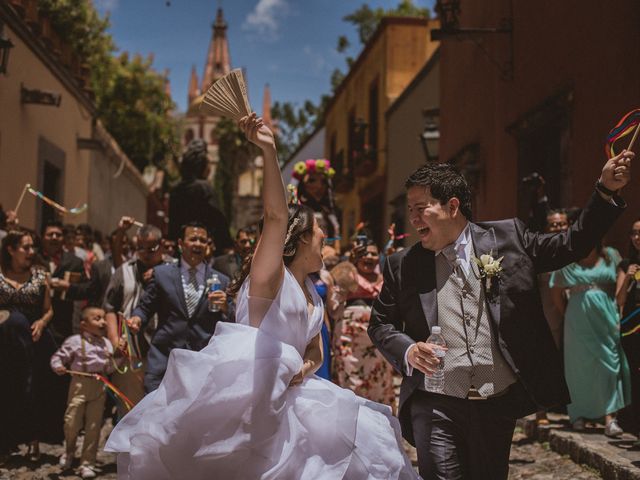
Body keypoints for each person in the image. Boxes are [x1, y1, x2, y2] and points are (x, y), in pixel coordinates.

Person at [105, 113, 418, 479]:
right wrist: (268, 150)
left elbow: (315, 349)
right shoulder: (270, 279)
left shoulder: (313, 294)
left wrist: (302, 369)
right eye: (320, 232)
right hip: (251, 399)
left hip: (296, 396)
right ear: (301, 238)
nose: (326, 239)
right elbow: (274, 216)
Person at [368, 150, 632, 479]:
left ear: (452, 207)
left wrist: (604, 191)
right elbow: (380, 323)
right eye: (411, 210)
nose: (414, 219)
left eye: (421, 209)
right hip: (434, 402)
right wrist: (407, 349)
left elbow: (571, 244)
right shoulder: (402, 265)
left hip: (495, 403)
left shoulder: (508, 238)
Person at [124, 221, 233, 393]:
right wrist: (137, 319)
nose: (198, 244)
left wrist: (226, 307)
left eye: (203, 240)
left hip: (201, 365)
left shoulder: (222, 280)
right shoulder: (161, 274)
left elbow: (234, 320)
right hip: (164, 361)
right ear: (181, 244)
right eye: (193, 239)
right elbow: (145, 307)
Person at [550, 244, 631, 436]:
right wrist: (569, 315)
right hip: (577, 321)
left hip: (606, 317)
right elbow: (556, 291)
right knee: (578, 367)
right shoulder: (568, 259)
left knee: (609, 365)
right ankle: (578, 415)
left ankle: (610, 418)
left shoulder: (611, 255)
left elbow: (620, 286)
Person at [0, 230, 55, 462]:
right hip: (4, 342)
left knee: (31, 388)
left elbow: (49, 309)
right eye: (25, 247)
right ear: (11, 250)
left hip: (31, 343)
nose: (31, 252)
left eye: (33, 247)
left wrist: (42, 323)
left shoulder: (41, 276)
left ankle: (33, 440)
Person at [51, 307, 123, 478]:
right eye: (97, 319)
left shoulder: (106, 343)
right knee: (71, 421)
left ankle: (87, 463)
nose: (103, 322)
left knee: (93, 426)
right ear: (83, 324)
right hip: (79, 385)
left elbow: (110, 366)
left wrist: (120, 357)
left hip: (99, 386)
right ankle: (69, 451)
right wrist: (58, 366)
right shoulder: (74, 341)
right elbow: (58, 357)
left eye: (104, 318)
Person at [103, 223, 165, 418]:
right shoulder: (124, 270)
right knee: (129, 412)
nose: (145, 254)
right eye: (140, 248)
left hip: (164, 353)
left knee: (159, 412)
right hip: (131, 353)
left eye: (151, 248)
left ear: (161, 246)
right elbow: (109, 307)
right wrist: (114, 340)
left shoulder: (173, 269)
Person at [333, 237, 396, 406]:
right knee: (350, 379)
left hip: (378, 338)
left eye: (374, 254)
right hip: (350, 338)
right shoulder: (348, 274)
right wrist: (349, 265)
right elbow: (335, 298)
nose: (369, 256)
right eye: (364, 253)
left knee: (380, 381)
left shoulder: (385, 276)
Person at [168, 139, 233, 252]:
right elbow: (219, 220)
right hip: (203, 248)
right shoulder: (204, 188)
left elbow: (172, 225)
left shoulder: (176, 189)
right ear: (201, 165)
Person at [616, 218, 640, 437]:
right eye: (633, 234)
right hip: (632, 329)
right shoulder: (626, 265)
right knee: (635, 375)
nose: (637, 238)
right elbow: (620, 300)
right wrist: (628, 279)